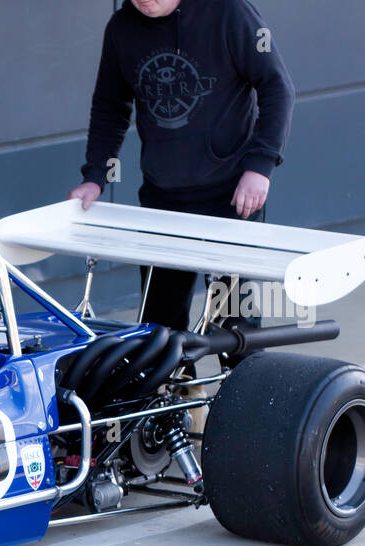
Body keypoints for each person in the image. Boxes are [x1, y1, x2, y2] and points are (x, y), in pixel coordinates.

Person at [67, 0, 295, 331]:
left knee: (232, 318)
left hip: (230, 194)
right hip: (163, 195)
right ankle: (182, 384)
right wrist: (95, 176)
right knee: (159, 321)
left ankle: (240, 380)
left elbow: (277, 87)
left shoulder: (229, 12)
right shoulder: (121, 28)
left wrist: (260, 166)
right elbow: (110, 106)